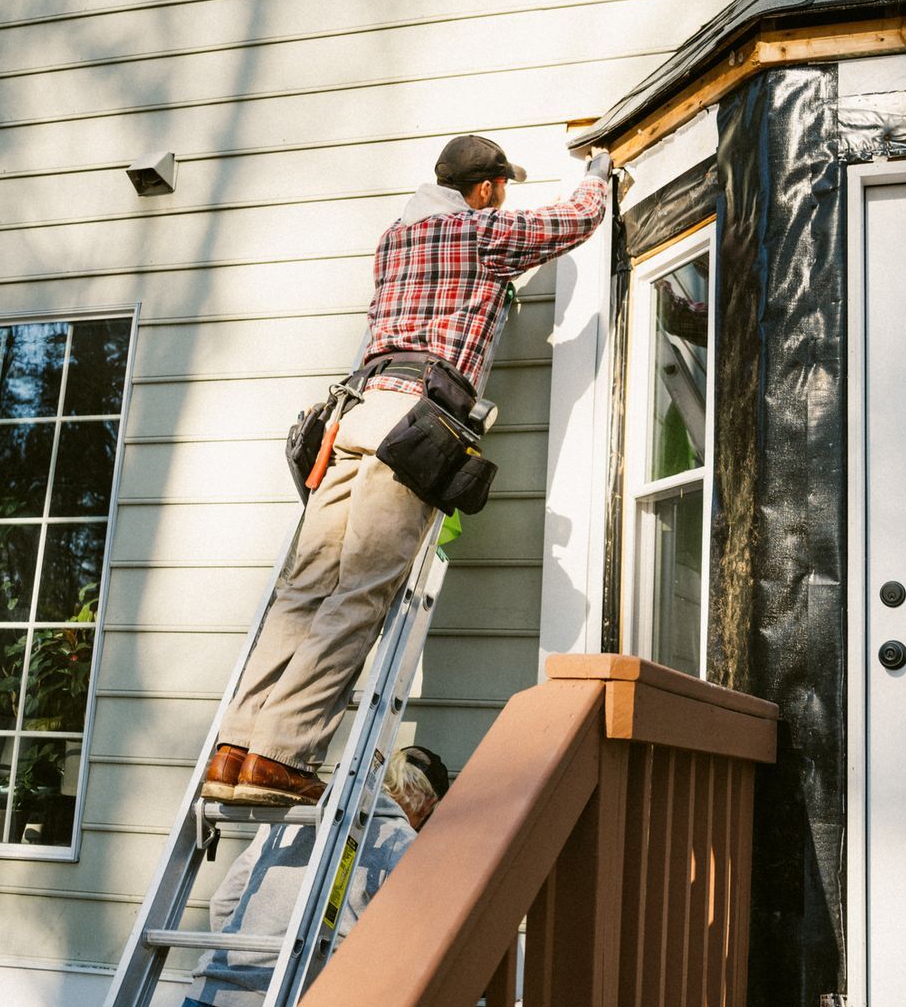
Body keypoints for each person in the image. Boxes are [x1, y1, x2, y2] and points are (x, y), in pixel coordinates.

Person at [202, 135, 611, 806]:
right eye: (501, 190)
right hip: (414, 424)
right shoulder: (476, 231)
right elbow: (574, 221)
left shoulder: (398, 236)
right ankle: (280, 756)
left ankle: (234, 750)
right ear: (485, 189)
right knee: (362, 591)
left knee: (303, 591)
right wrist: (597, 175)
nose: (501, 201)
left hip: (355, 415)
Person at [172, 744, 453, 1007]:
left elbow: (224, 902)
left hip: (202, 1001)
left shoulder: (295, 815)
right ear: (430, 802)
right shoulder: (401, 844)